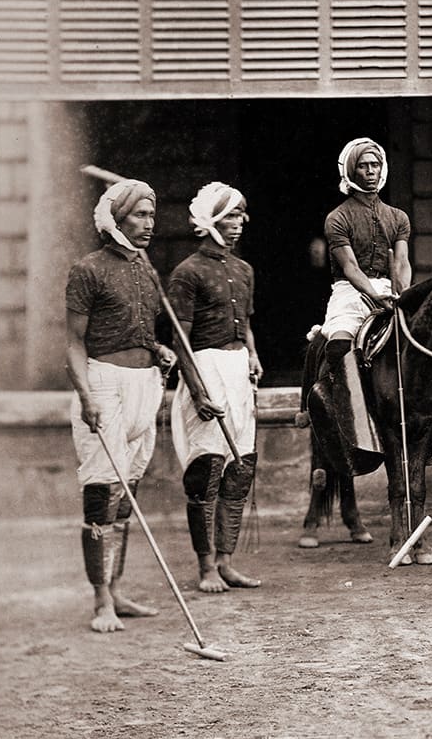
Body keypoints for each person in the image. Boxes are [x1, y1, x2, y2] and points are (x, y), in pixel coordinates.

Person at [65, 179, 177, 633]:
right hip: (103, 386)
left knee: (127, 493)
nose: (149, 224)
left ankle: (118, 590)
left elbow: (138, 328)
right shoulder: (87, 269)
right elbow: (73, 343)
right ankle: (100, 602)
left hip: (144, 385)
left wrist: (158, 349)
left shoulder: (148, 270)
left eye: (152, 215)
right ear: (116, 220)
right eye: (140, 216)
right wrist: (86, 396)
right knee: (101, 492)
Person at [168, 182, 262, 592]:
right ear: (209, 221)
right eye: (229, 215)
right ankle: (205, 567)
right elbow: (180, 339)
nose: (238, 223)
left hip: (238, 369)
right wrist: (198, 390)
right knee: (206, 471)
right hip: (205, 369)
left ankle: (226, 562)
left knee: (240, 469)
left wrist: (253, 355)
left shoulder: (244, 270)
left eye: (241, 214)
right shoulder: (187, 272)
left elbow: (248, 324)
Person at [314, 137, 412, 468]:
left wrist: (402, 292)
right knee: (339, 342)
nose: (370, 171)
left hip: (390, 291)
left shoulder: (397, 217)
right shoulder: (337, 218)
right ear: (351, 170)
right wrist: (374, 295)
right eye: (363, 165)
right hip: (351, 291)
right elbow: (350, 267)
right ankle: (340, 414)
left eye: (375, 165)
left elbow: (402, 262)